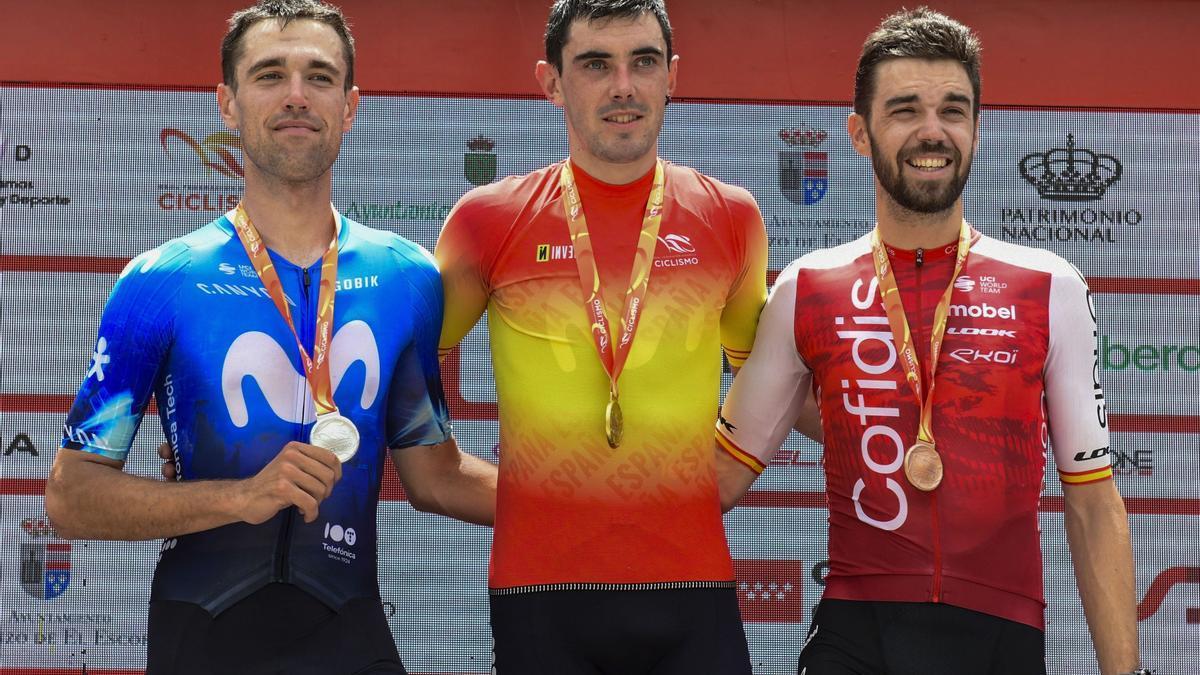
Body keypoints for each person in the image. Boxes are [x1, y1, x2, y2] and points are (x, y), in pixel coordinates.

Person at [44, 2, 496, 673]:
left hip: (350, 627)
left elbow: (434, 472)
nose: (295, 96)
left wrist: (583, 506)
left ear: (350, 106)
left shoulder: (408, 277)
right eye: (268, 75)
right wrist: (239, 496)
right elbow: (70, 497)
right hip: (202, 632)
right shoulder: (161, 280)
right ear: (227, 103)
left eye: (319, 76)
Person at [712, 7, 1144, 675]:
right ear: (860, 132)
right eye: (905, 109)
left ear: (977, 130)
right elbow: (719, 477)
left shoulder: (1048, 285)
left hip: (1001, 635)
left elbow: (1091, 500)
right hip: (856, 632)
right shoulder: (808, 286)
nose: (932, 131)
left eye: (953, 109)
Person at [434, 0, 768, 672]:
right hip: (541, 592)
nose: (624, 85)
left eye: (643, 62)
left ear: (672, 74)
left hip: (693, 587)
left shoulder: (731, 216)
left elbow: (770, 384)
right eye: (595, 64)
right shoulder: (487, 221)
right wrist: (438, 476)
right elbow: (393, 375)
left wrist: (728, 475)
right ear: (551, 81)